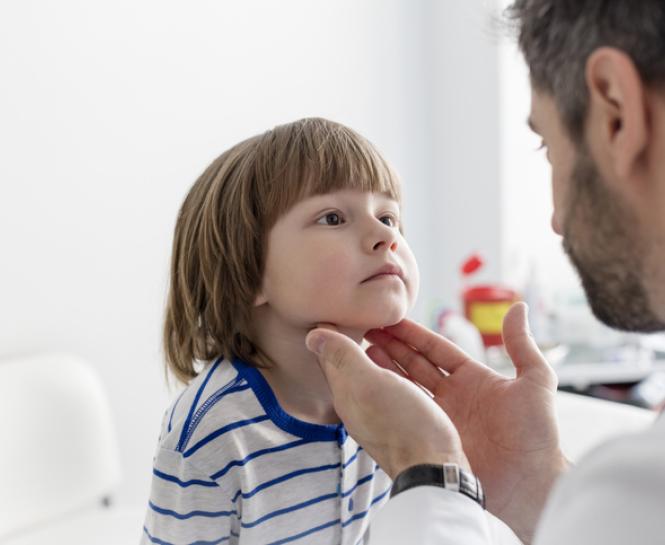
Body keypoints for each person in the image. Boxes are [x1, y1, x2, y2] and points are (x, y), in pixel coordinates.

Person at [305, 1, 665, 544]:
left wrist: (427, 470)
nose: (557, 220)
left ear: (616, 109)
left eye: (547, 146)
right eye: (333, 217)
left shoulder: (637, 489)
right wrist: (532, 480)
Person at [140, 117, 423, 544]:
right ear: (249, 273)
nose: (386, 235)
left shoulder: (393, 402)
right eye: (332, 218)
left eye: (389, 216)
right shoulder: (211, 434)